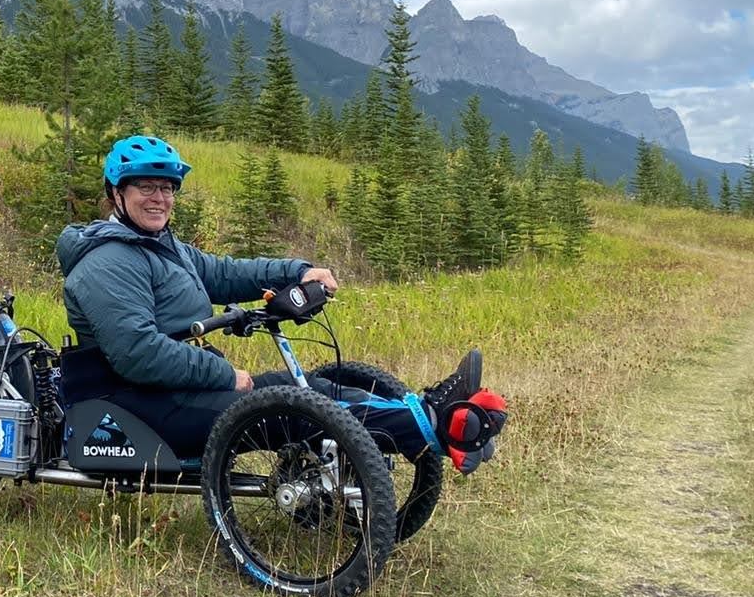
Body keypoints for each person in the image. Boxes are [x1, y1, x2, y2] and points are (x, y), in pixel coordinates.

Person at [56, 134, 507, 472]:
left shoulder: (160, 246)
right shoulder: (107, 263)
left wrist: (296, 272)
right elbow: (138, 353)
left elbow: (228, 273)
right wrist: (226, 374)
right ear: (116, 194)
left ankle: (424, 410)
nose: (159, 198)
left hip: (178, 390)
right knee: (291, 408)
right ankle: (440, 420)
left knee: (313, 389)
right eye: (145, 188)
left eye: (167, 188)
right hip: (139, 407)